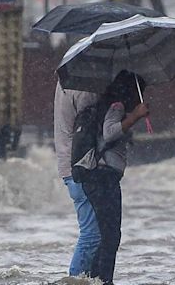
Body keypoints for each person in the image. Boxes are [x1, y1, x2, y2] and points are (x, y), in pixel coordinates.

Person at [82, 70, 149, 285]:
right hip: (103, 178)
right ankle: (103, 281)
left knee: (107, 234)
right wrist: (135, 116)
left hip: (100, 178)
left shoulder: (110, 105)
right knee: (111, 236)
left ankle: (92, 279)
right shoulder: (117, 105)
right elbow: (110, 132)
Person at [54, 80, 101, 276]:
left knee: (93, 234)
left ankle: (85, 278)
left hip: (69, 165)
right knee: (91, 235)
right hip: (79, 166)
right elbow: (91, 121)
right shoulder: (83, 89)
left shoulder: (64, 83)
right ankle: (74, 279)